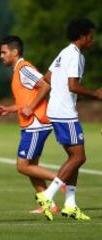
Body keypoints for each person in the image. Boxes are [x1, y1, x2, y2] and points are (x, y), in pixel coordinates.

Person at [36, 17, 102, 221]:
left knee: (74, 159)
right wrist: (95, 94)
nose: (92, 40)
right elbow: (73, 85)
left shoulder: (63, 53)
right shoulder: (75, 55)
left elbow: (47, 78)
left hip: (57, 110)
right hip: (65, 113)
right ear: (82, 37)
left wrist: (64, 95)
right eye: (90, 37)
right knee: (79, 157)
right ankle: (48, 196)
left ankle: (70, 204)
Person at [0, 35, 59, 214]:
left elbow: (45, 85)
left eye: (4, 52)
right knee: (32, 168)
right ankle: (48, 205)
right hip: (31, 124)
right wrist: (9, 109)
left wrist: (31, 107)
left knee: (22, 166)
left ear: (15, 52)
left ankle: (60, 179)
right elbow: (26, 99)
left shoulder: (24, 68)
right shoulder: (17, 71)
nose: (1, 56)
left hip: (36, 124)